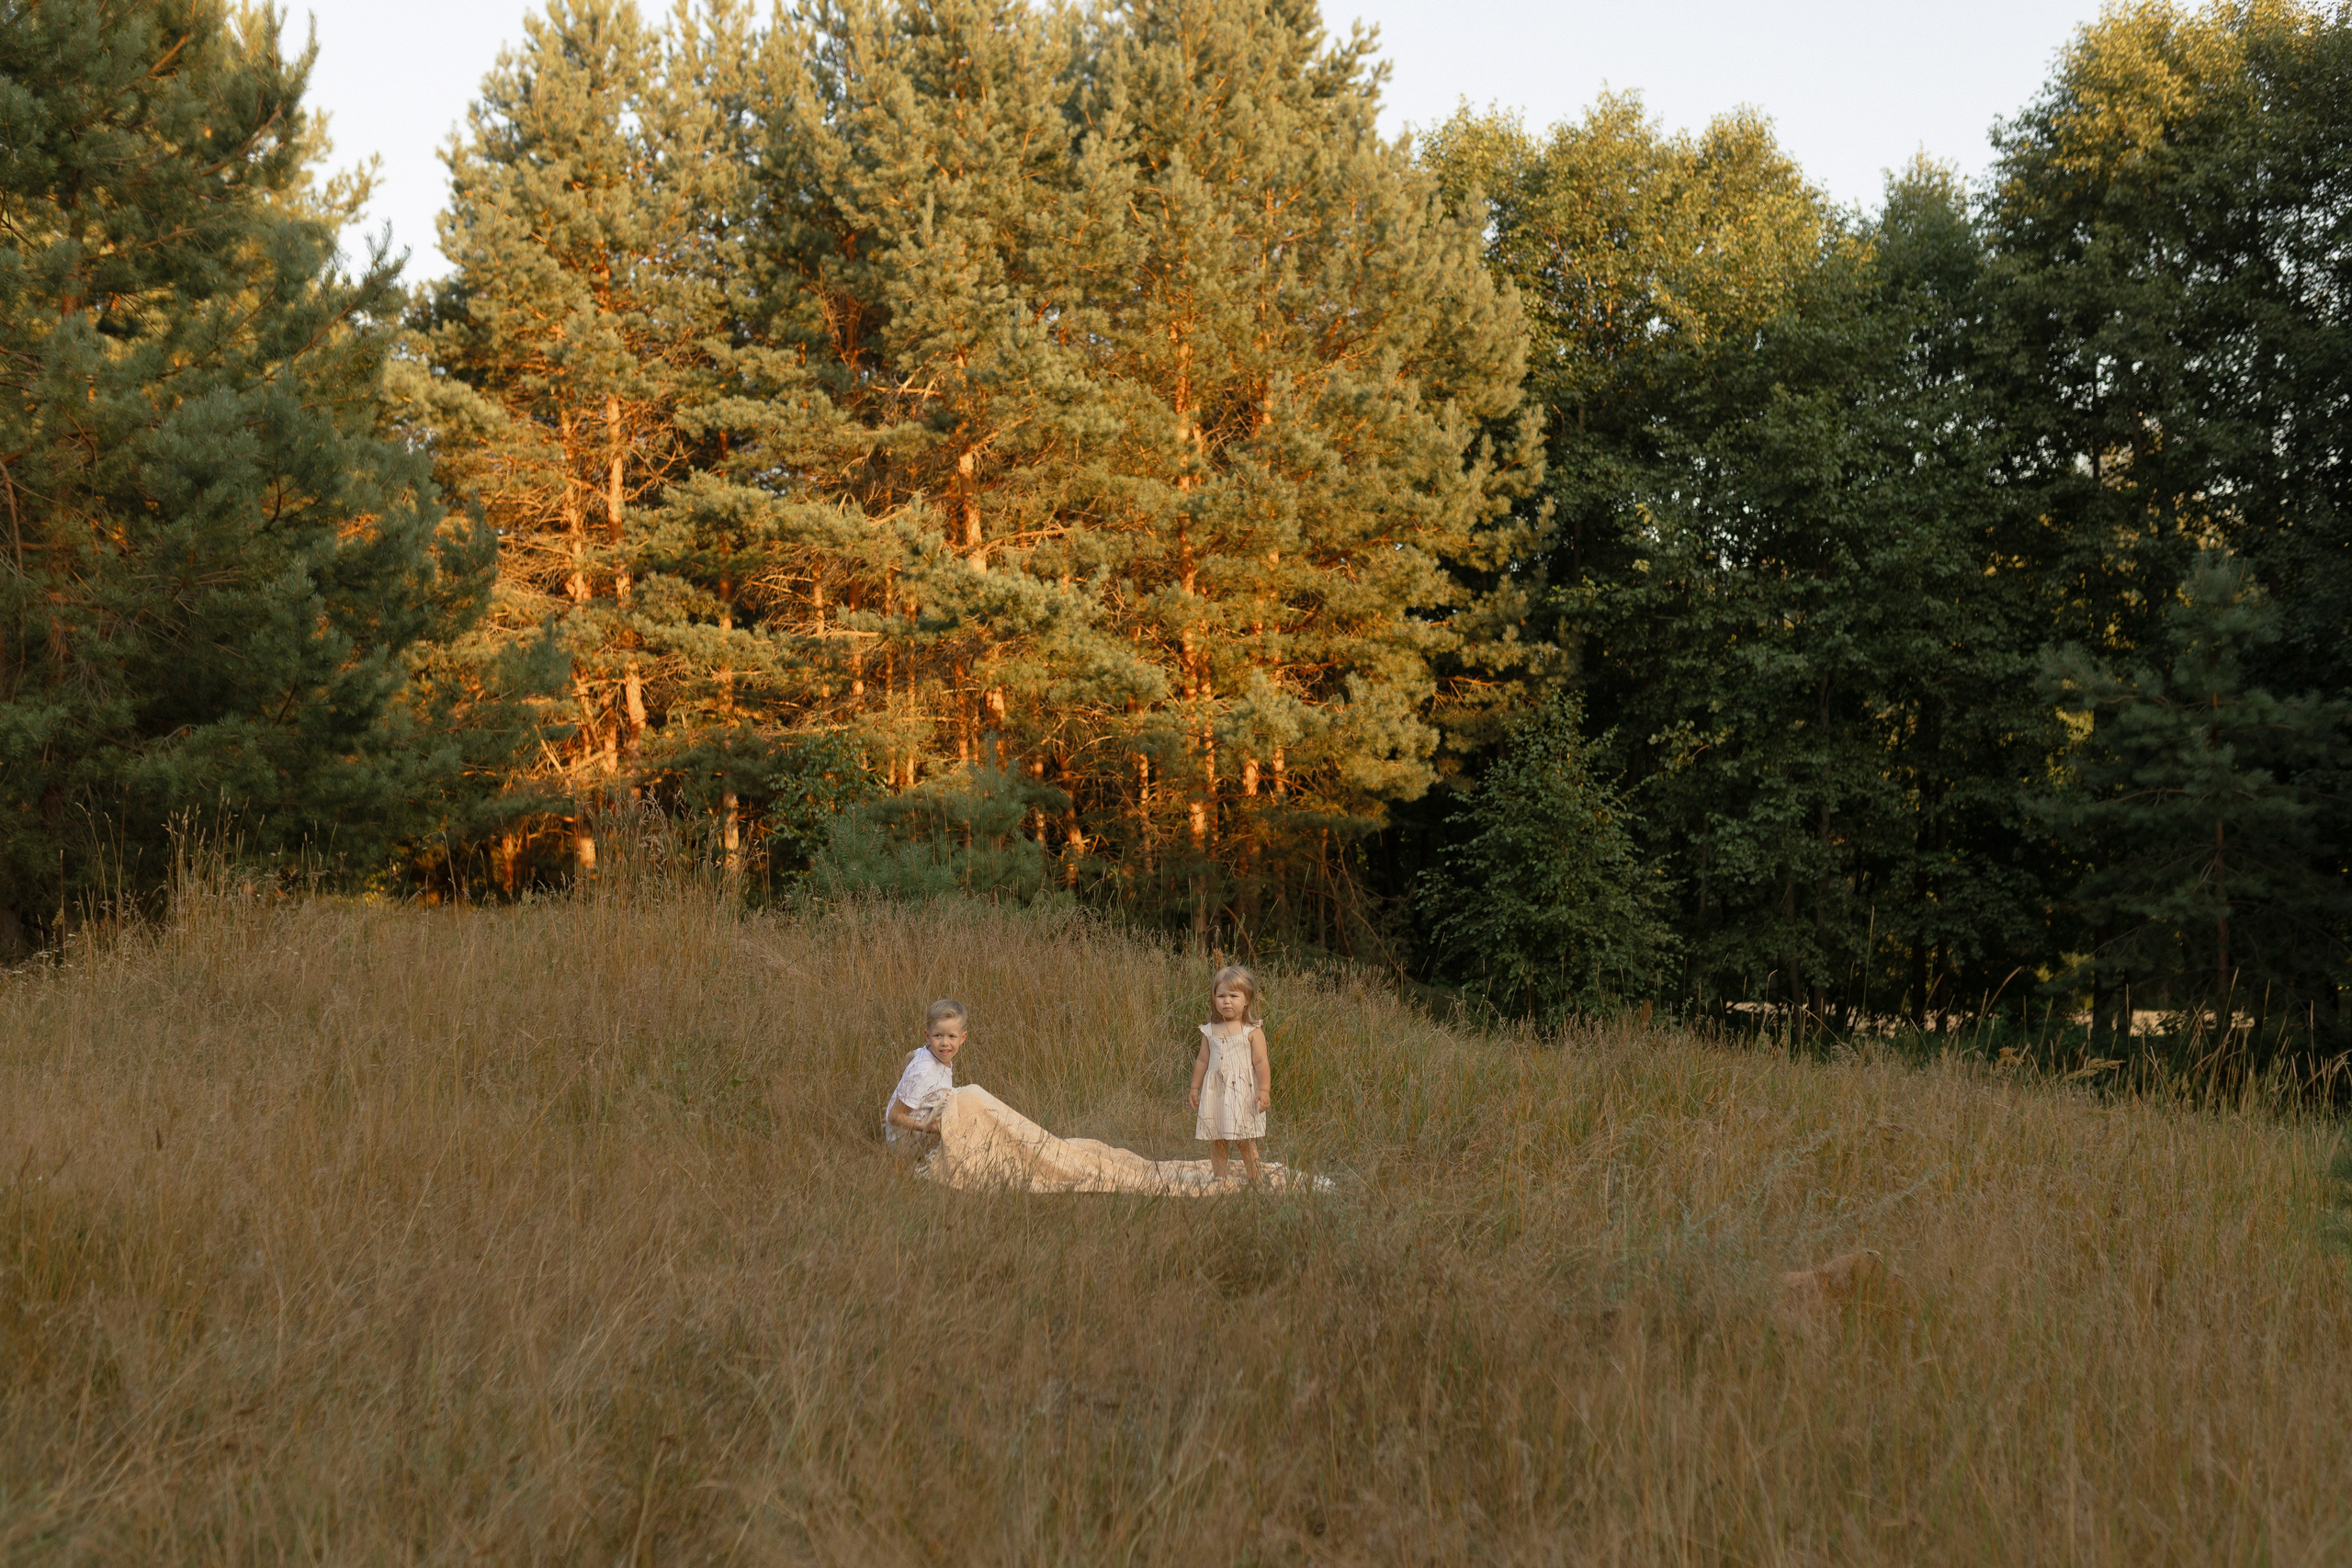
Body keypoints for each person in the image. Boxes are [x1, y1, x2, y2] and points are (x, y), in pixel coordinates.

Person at [1188, 964, 1271, 1181]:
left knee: (1245, 1139)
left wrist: (1264, 1090)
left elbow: (1261, 1062)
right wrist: (1194, 1087)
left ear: (1247, 1001)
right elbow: (1202, 1060)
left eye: (1233, 996)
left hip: (1243, 1094)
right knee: (1217, 1138)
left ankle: (1255, 1178)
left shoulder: (1252, 1030)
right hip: (1216, 1093)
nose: (1226, 1001)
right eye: (1221, 995)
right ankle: (1219, 1178)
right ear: (1214, 998)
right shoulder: (1210, 1030)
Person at [885, 999, 967, 1159]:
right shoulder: (924, 1072)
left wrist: (899, 1096)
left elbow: (909, 1056)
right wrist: (925, 1128)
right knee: (967, 1103)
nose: (945, 1043)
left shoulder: (928, 1052)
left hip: (909, 1131)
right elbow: (894, 1116)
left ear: (962, 1038)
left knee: (963, 1098)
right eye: (938, 1036)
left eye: (952, 1036)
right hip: (905, 1145)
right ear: (927, 1036)